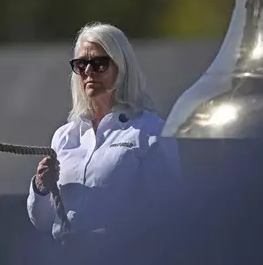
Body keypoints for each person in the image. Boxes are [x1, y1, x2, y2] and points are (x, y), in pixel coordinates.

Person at [26, 22, 182, 264]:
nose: (89, 71)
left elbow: (167, 213)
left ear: (122, 68)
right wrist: (40, 187)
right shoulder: (64, 137)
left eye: (99, 63)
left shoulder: (149, 131)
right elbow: (43, 220)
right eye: (81, 64)